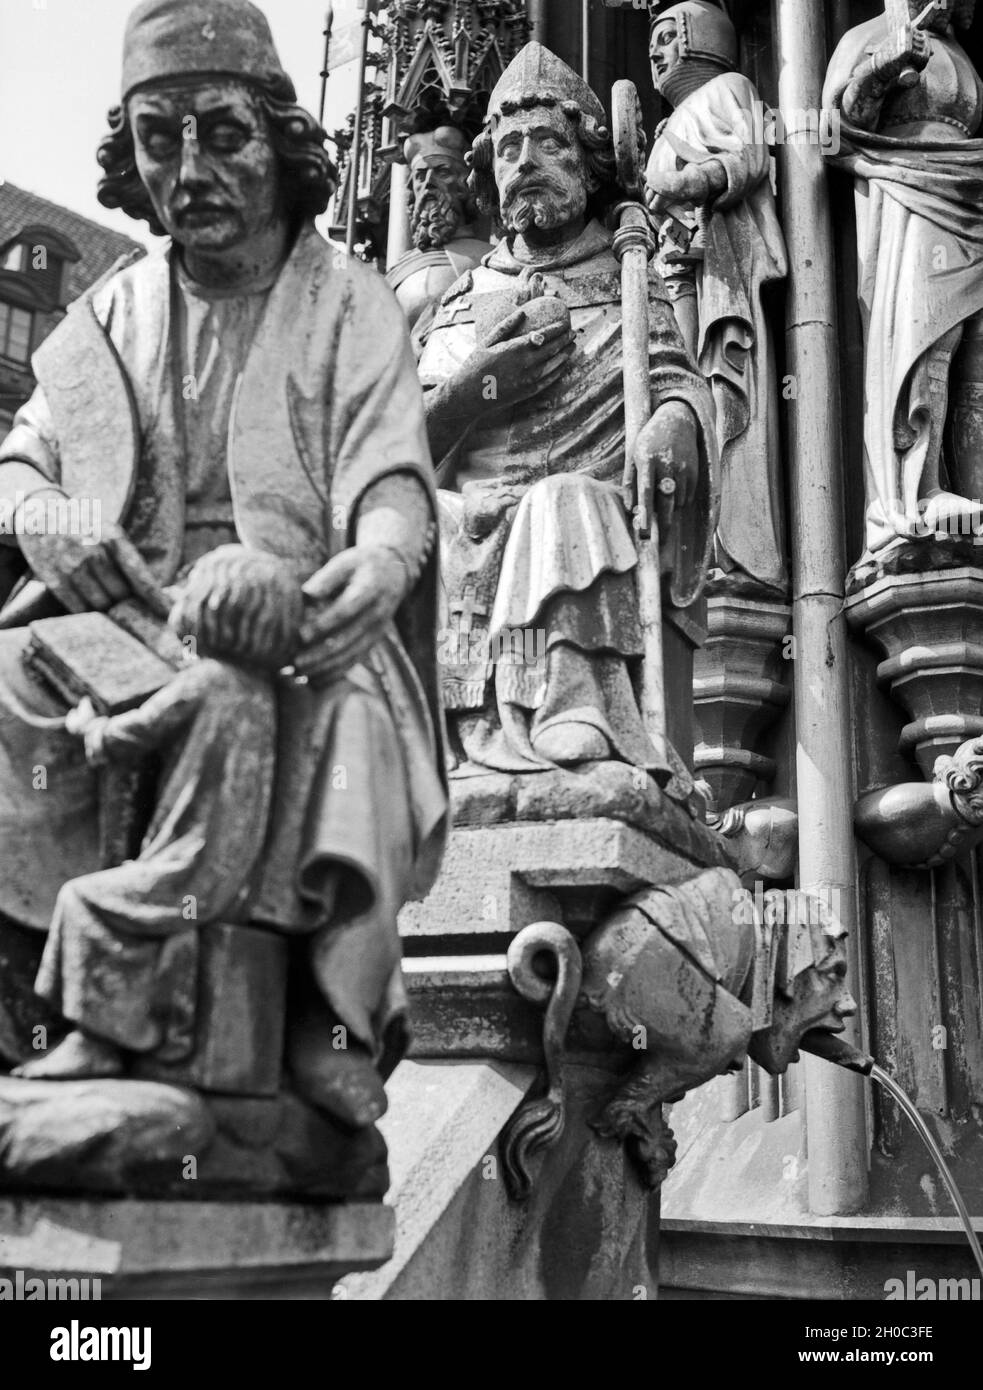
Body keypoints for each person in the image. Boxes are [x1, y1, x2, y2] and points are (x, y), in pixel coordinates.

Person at [0, 0, 447, 1129]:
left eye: (220, 132)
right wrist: (46, 513)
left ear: (279, 140)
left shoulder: (347, 302)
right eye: (158, 139)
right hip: (128, 615)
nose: (187, 168)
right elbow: (18, 464)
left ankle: (328, 1026)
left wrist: (385, 563)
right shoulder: (111, 313)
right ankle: (45, 1016)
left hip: (294, 614)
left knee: (344, 720)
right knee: (3, 686)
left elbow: (392, 477)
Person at [419, 41, 719, 779]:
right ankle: (432, 733)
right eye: (509, 146)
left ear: (586, 163)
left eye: (548, 142)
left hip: (582, 499)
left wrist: (673, 422)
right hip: (470, 508)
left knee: (560, 506)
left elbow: (677, 383)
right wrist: (474, 388)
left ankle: (577, 705)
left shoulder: (626, 276)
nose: (524, 160)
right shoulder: (458, 298)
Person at [824, 0, 983, 577]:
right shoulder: (872, 34)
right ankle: (919, 489)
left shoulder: (959, 52)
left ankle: (971, 488)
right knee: (928, 334)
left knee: (972, 343)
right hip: (909, 191)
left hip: (966, 187)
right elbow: (833, 128)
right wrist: (883, 65)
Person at [646, 1, 788, 596]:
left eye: (663, 38)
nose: (653, 54)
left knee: (724, 390)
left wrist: (684, 184)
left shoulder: (729, 88)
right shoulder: (663, 127)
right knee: (678, 395)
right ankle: (691, 547)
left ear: (698, 38)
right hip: (674, 274)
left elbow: (750, 158)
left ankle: (739, 547)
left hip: (720, 277)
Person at [385, 126, 492, 357]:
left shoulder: (489, 260)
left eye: (442, 172)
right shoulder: (395, 273)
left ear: (464, 185)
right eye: (421, 176)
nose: (429, 183)